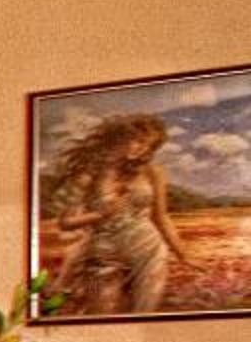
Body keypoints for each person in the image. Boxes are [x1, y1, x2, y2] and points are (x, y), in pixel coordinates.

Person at [42, 113, 199, 315]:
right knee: (101, 317)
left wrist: (183, 254)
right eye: (139, 140)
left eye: (149, 145)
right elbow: (65, 222)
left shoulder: (152, 172)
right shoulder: (88, 175)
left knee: (144, 316)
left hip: (149, 251)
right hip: (103, 254)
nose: (143, 149)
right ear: (120, 137)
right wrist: (100, 214)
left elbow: (161, 217)